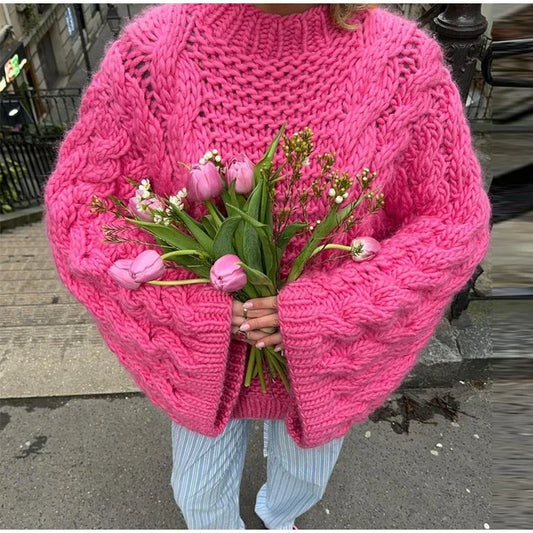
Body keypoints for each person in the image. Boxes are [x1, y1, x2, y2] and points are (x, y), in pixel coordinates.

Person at [43, 2, 492, 530]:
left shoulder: (403, 63)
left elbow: (452, 219)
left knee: (303, 481)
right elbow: (82, 203)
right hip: (203, 357)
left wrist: (329, 311)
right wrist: (189, 304)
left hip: (327, 357)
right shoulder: (151, 55)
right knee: (198, 493)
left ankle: (278, 519)